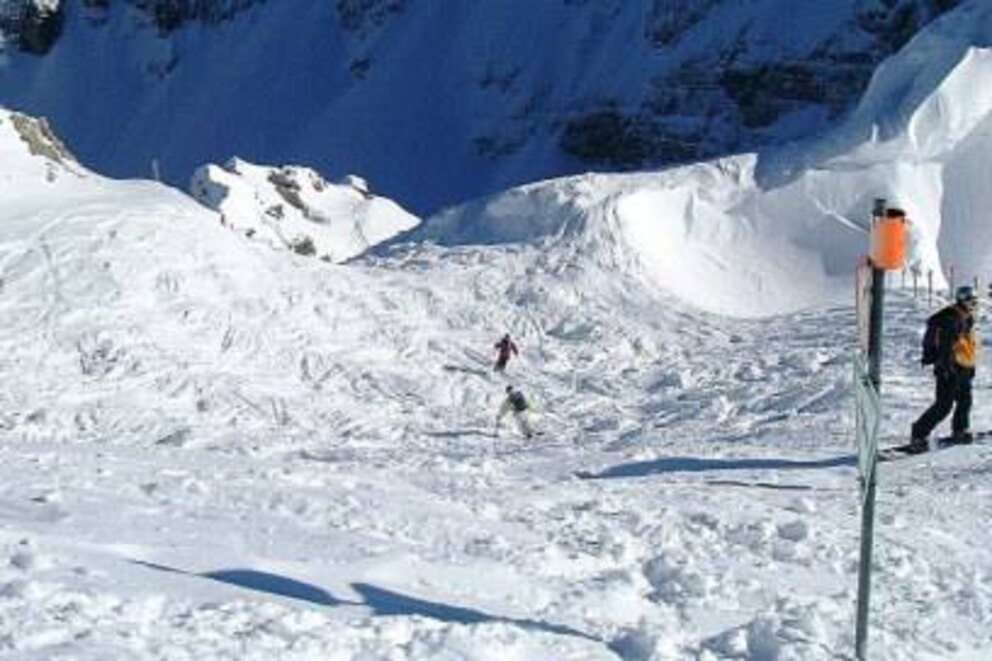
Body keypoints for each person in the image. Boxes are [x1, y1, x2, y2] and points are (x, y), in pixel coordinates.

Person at [910, 285, 979, 450]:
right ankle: (918, 434)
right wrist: (945, 367)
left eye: (975, 301)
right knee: (943, 405)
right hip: (950, 367)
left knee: (965, 401)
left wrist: (970, 366)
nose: (973, 304)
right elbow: (945, 346)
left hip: (964, 366)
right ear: (961, 300)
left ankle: (960, 430)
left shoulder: (966, 317)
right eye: (970, 301)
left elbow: (967, 344)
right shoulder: (950, 319)